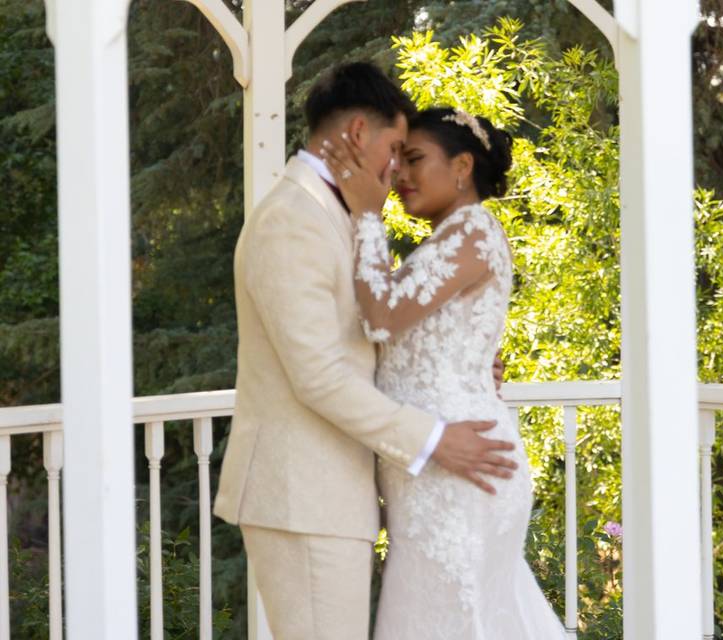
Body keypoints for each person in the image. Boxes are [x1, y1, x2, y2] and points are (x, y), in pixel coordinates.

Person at [212, 63, 518, 640]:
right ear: (359, 133)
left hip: (339, 496)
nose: (396, 168)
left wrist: (460, 365)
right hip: (303, 495)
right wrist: (432, 438)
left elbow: (360, 336)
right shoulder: (291, 219)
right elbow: (319, 376)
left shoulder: (336, 212)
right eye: (396, 148)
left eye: (409, 155)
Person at [320, 106, 566, 639]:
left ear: (461, 167)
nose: (400, 175)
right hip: (434, 469)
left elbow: (382, 316)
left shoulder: (472, 231)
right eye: (397, 160)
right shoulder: (447, 240)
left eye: (414, 159)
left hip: (460, 468)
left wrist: (366, 213)